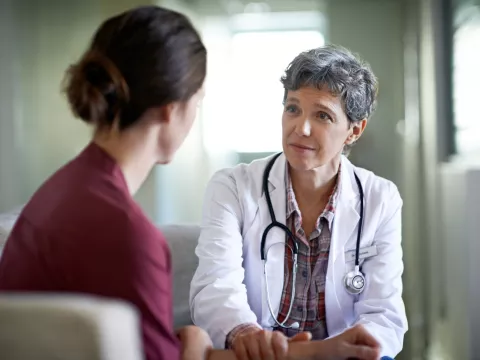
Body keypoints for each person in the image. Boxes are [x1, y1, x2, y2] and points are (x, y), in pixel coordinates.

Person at [0, 6, 382, 360]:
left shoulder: (60, 190)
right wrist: (195, 344)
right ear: (172, 111)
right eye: (197, 103)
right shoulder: (126, 236)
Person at [190, 44, 408, 360]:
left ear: (354, 130)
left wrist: (364, 348)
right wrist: (245, 334)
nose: (300, 128)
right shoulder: (233, 188)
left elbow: (383, 312)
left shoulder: (380, 199)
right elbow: (215, 288)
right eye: (293, 108)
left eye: (322, 115)